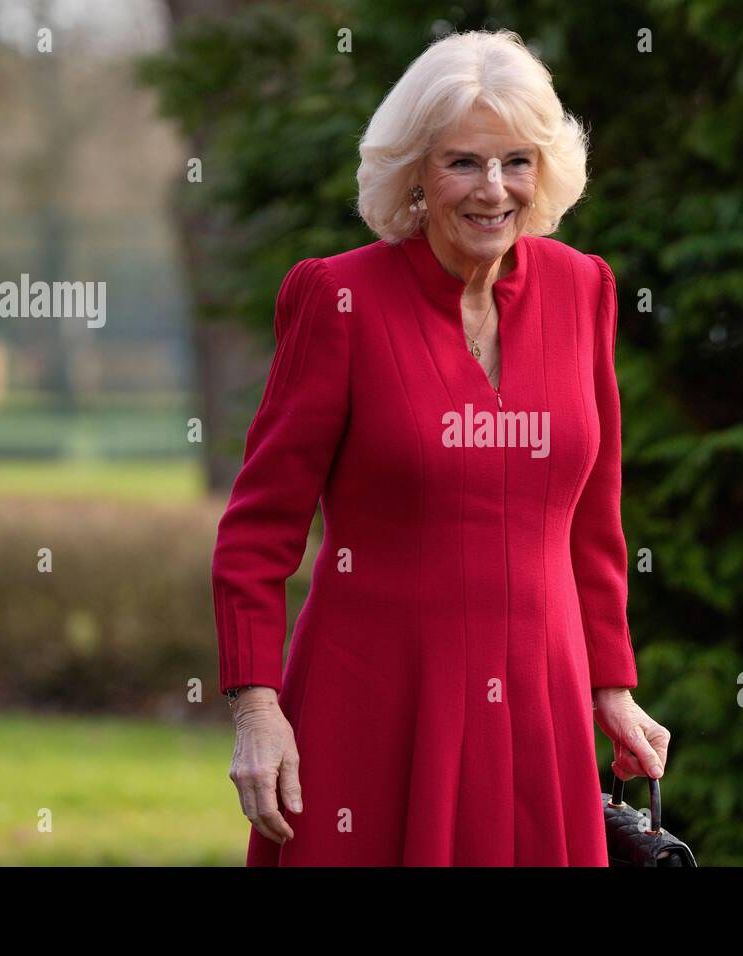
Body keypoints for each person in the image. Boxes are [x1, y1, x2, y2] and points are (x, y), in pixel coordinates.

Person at [212, 28, 669, 866]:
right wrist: (257, 708)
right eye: (463, 162)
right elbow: (256, 531)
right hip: (375, 706)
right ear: (414, 174)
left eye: (516, 161)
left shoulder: (583, 289)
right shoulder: (339, 299)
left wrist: (611, 684)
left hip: (541, 702)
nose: (493, 189)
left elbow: (593, 517)